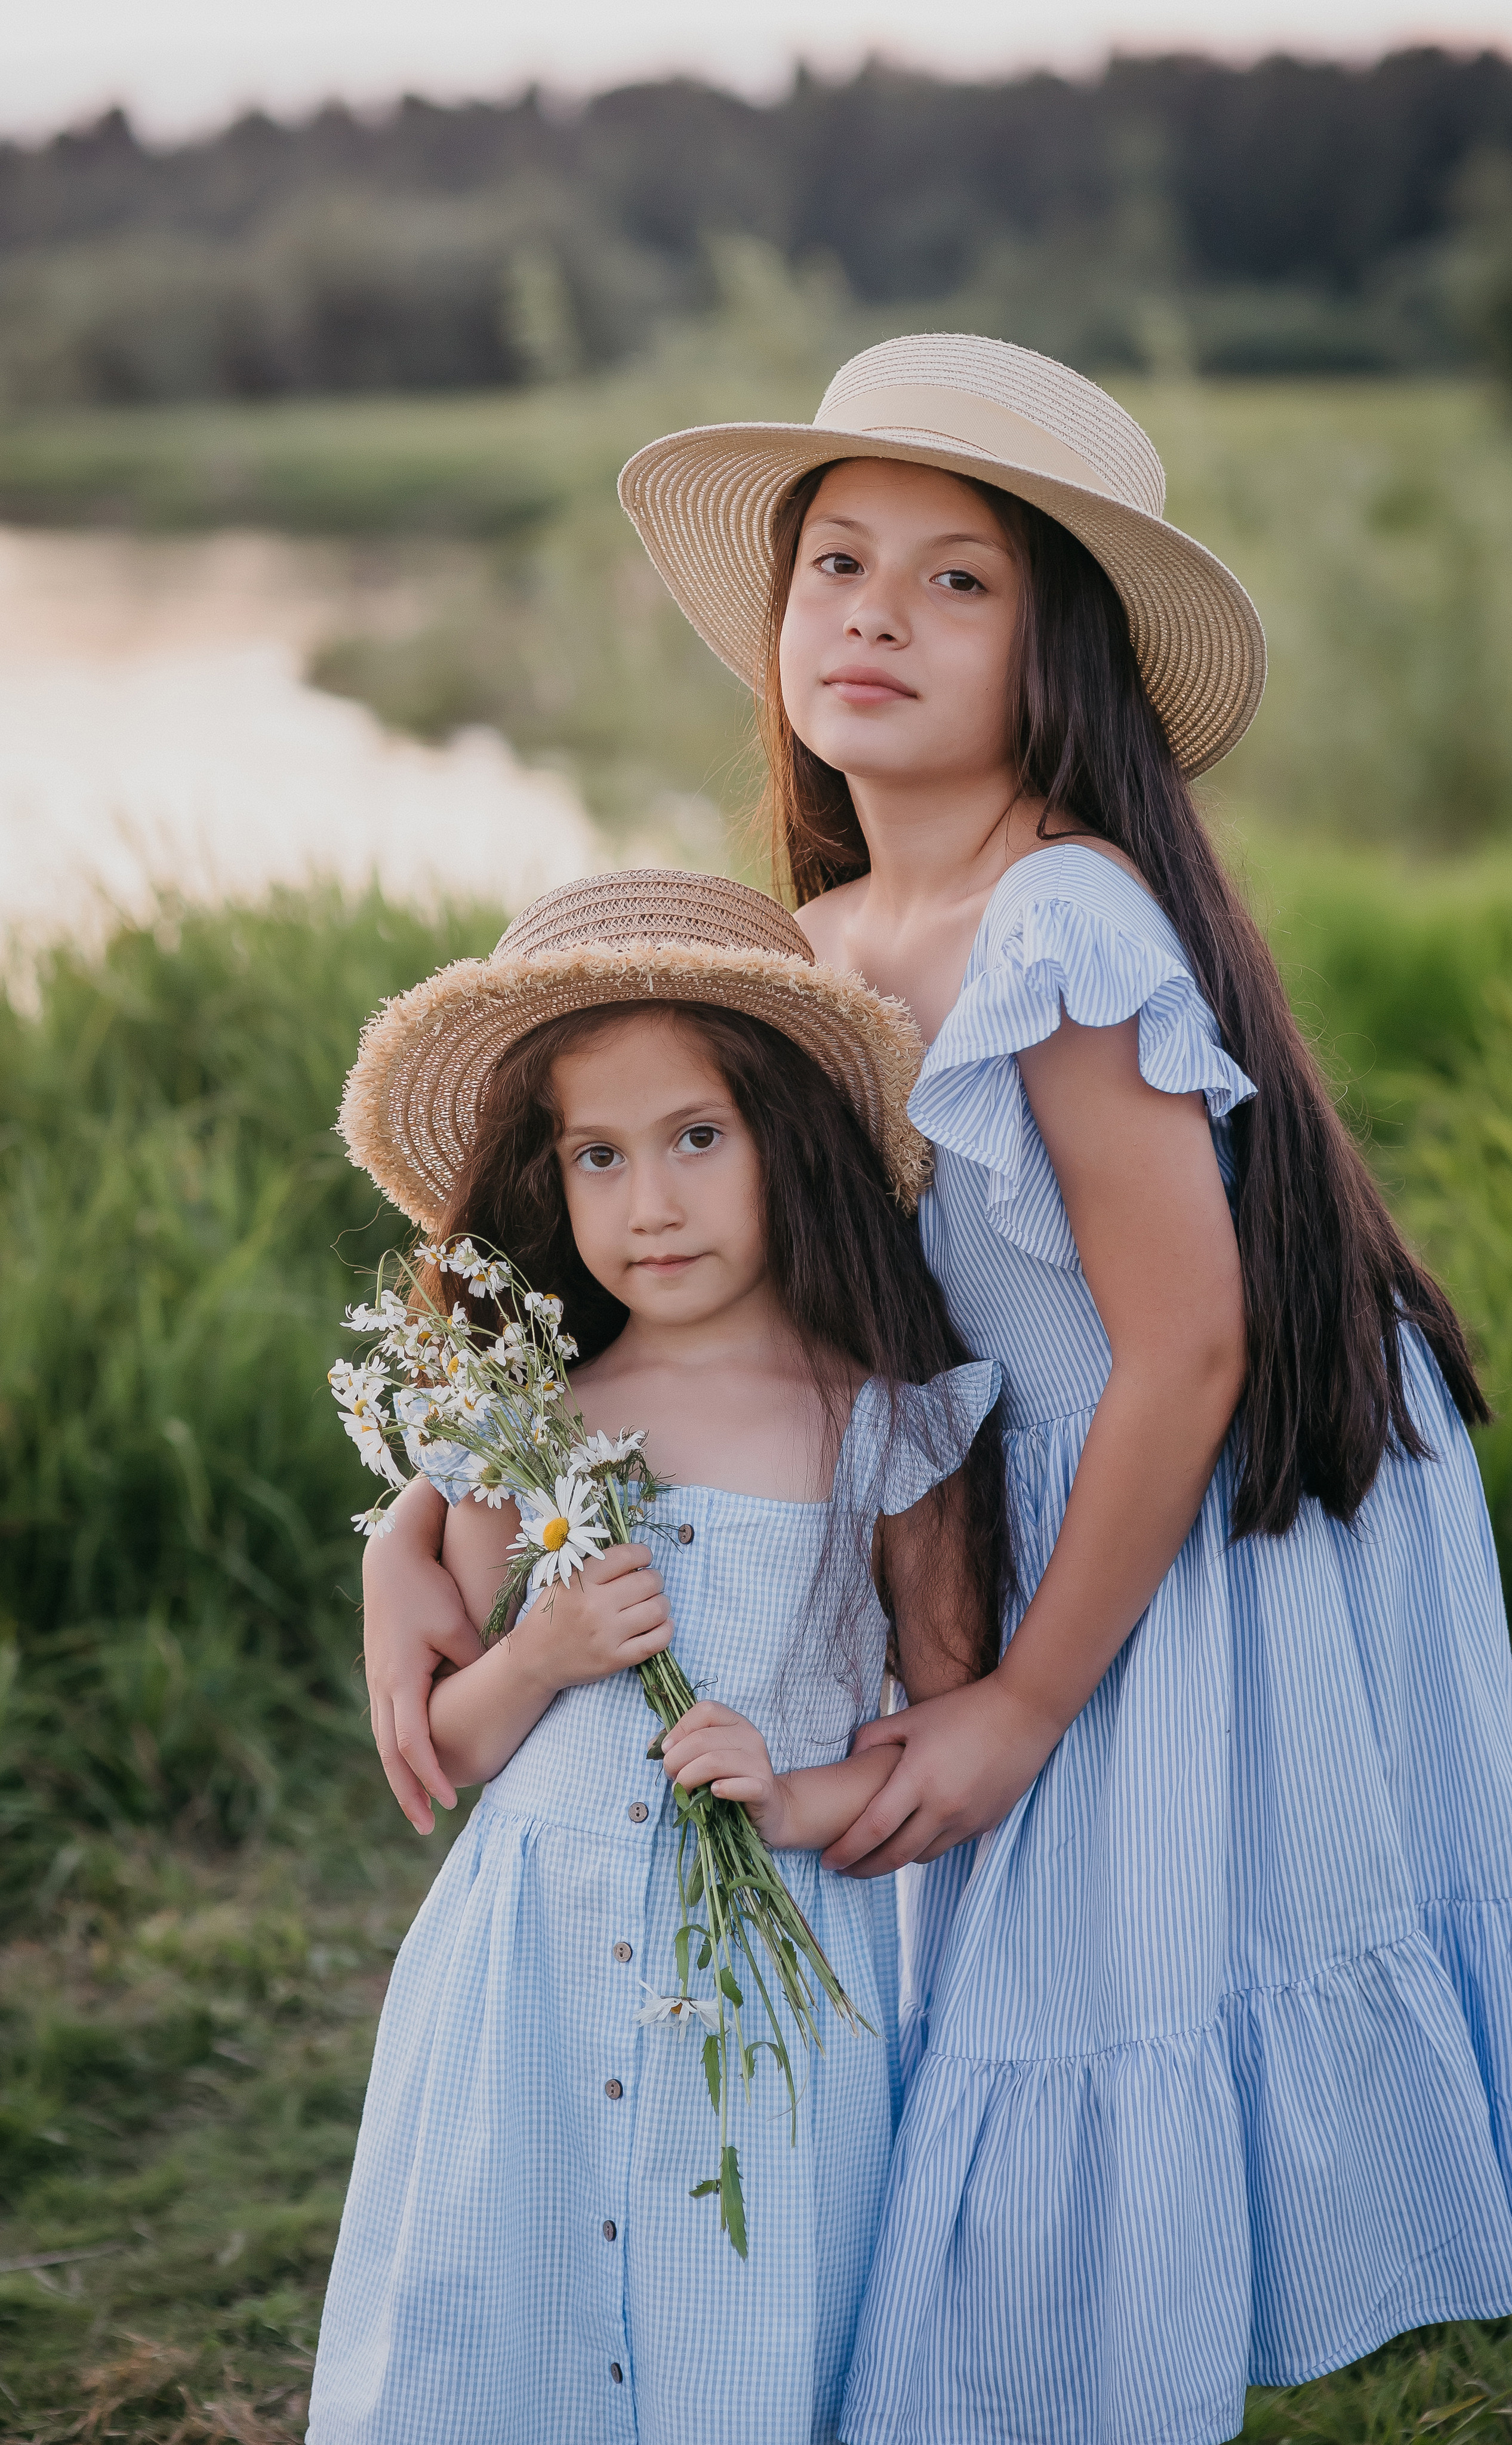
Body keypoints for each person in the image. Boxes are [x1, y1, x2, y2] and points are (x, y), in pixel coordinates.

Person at [609, 332, 1512, 2443]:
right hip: (1023, 1515)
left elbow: (1186, 1343)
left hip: (1188, 1504)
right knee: (1019, 1984)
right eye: (837, 564)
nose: (873, 617)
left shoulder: (1063, 918)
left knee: (1099, 1990)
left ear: (1060, 653)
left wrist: (1022, 1697)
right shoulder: (812, 945)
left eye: (957, 582)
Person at [306, 869, 1008, 2445]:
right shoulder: (531, 1426)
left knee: (738, 2296)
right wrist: (543, 1651)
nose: (652, 1203)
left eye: (699, 1137)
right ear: (553, 1184)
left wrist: (798, 1801)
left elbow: (948, 1737)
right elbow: (454, 1744)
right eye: (600, 1157)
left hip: (762, 1980)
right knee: (512, 2289)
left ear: (792, 1137)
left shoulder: (881, 1423)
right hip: (534, 1967)